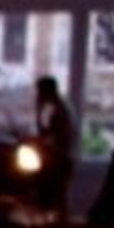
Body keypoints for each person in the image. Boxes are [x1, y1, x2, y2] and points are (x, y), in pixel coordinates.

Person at [34, 75, 77, 215]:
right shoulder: (62, 105)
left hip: (58, 159)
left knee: (54, 199)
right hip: (65, 157)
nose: (37, 94)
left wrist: (38, 108)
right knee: (59, 199)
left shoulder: (53, 109)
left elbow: (46, 134)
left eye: (39, 91)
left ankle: (57, 225)